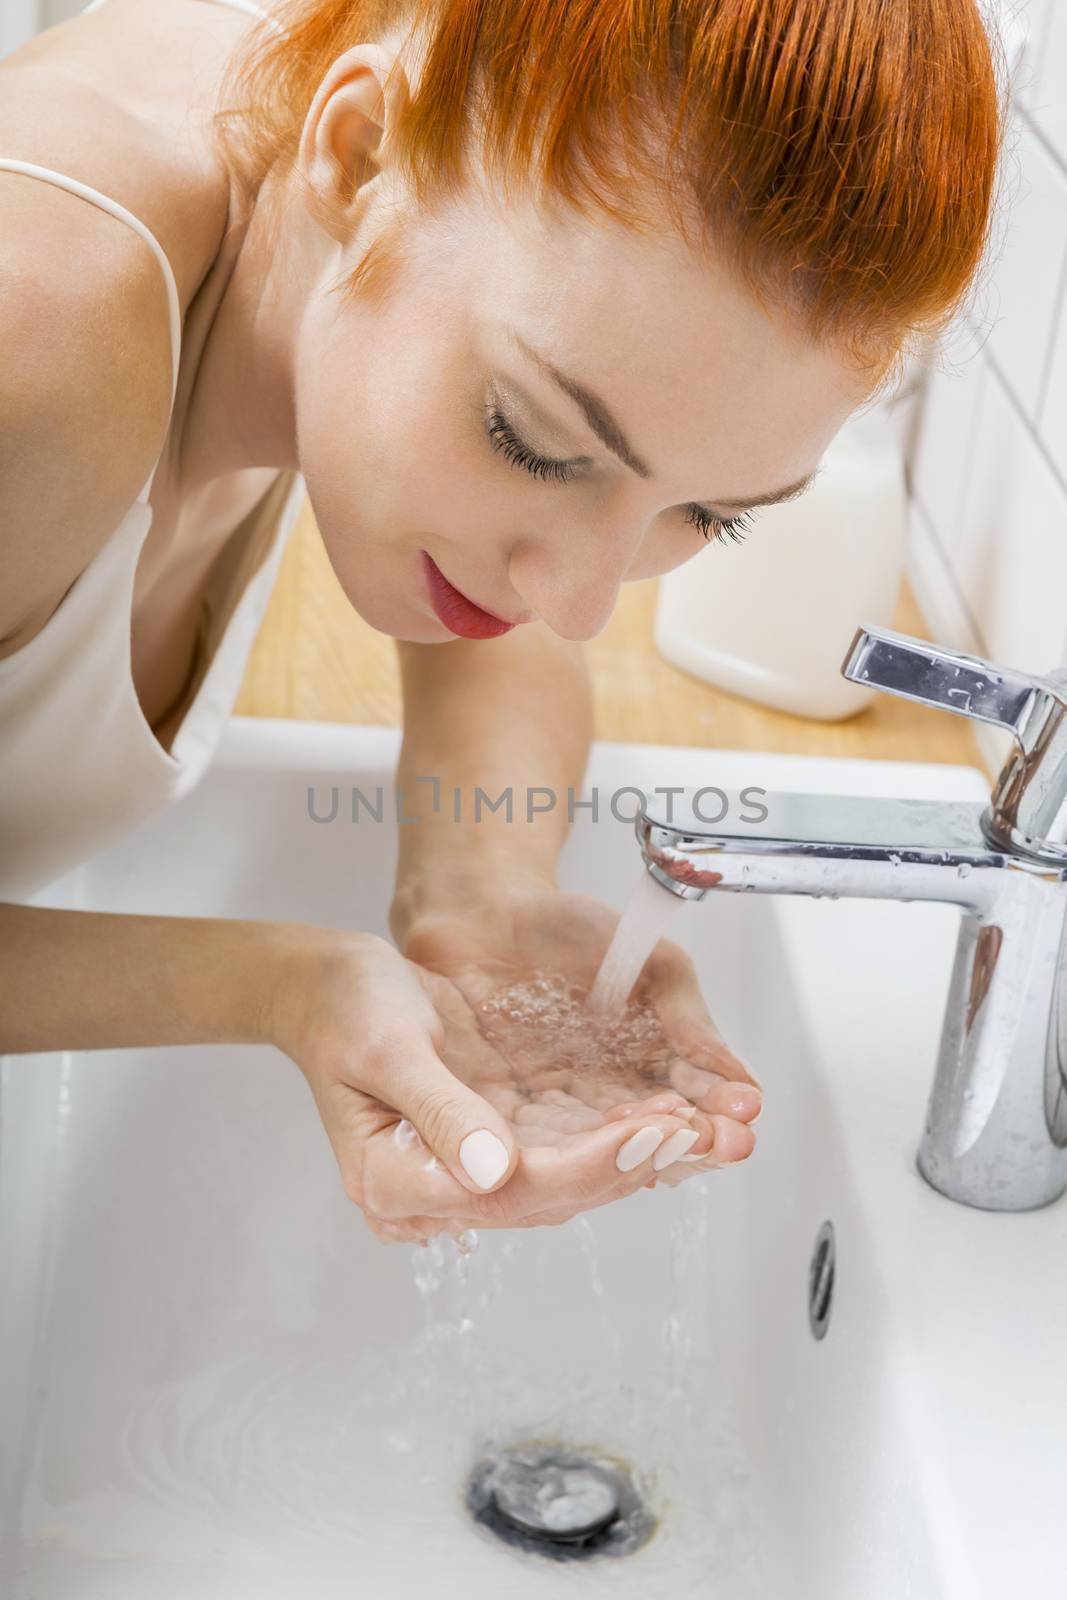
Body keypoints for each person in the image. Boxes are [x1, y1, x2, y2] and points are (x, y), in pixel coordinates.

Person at [0, 0, 1006, 1243]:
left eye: (705, 512)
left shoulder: (343, 177)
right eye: (530, 441)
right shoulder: (31, 333)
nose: (578, 601)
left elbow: (491, 621)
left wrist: (477, 882)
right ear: (357, 148)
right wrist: (282, 987)